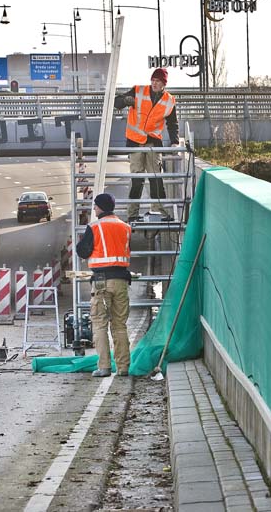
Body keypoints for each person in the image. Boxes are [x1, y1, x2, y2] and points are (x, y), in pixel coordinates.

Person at [75, 192, 132, 377]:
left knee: (99, 323)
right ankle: (123, 368)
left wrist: (80, 243)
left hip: (101, 281)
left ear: (100, 207)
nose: (94, 209)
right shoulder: (125, 227)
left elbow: (83, 251)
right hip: (121, 280)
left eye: (95, 206)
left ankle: (104, 367)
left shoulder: (94, 227)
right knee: (120, 324)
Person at [114, 67, 179, 222]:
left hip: (153, 143)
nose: (155, 83)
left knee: (156, 177)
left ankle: (159, 212)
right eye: (153, 80)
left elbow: (172, 124)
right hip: (135, 142)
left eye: (158, 81)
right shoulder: (138, 91)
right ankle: (132, 214)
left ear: (164, 84)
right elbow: (116, 102)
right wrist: (125, 101)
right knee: (137, 179)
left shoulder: (169, 100)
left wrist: (175, 142)